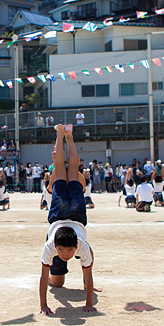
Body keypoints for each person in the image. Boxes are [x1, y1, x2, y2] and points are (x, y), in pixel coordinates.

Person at [39, 125, 96, 315]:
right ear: (56, 245)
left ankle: (64, 134)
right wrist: (43, 306)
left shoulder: (64, 246)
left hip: (64, 213)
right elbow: (43, 277)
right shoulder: (53, 246)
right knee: (70, 170)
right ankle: (66, 135)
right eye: (63, 250)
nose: (65, 254)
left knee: (66, 170)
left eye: (70, 250)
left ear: (76, 245)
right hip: (72, 214)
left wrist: (89, 303)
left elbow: (88, 273)